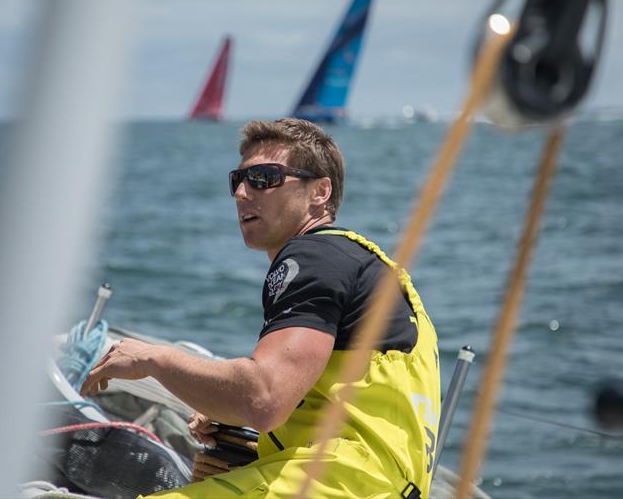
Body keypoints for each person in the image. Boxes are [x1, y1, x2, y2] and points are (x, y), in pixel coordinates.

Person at [81, 118, 441, 498]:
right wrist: (225, 408)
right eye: (237, 179)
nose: (241, 192)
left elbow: (264, 399)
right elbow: (314, 397)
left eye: (264, 178)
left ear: (320, 191)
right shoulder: (365, 267)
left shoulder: (314, 255)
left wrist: (154, 360)